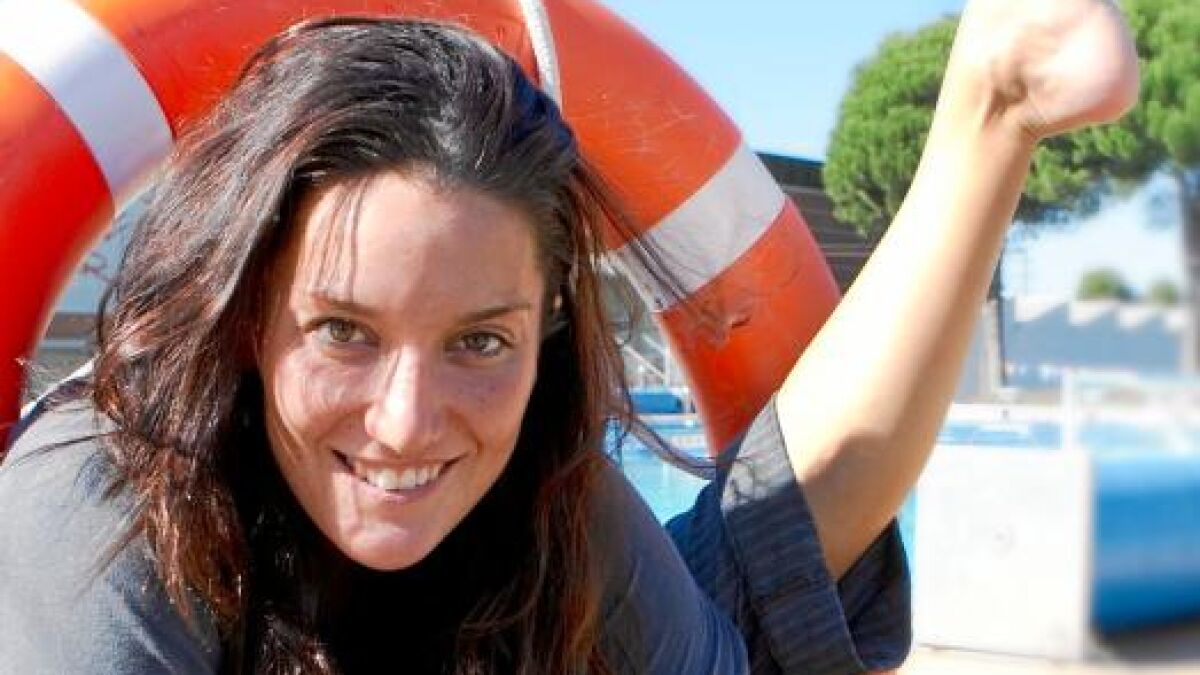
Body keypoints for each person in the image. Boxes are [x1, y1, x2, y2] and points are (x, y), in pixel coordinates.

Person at [0, 1, 1137, 673]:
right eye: (344, 329)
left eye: (480, 342)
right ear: (250, 314)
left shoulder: (540, 489)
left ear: (546, 324)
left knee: (747, 584)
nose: (407, 422)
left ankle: (993, 113)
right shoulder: (93, 514)